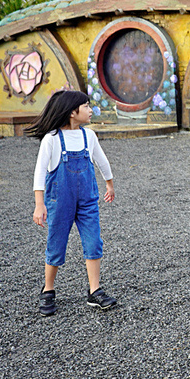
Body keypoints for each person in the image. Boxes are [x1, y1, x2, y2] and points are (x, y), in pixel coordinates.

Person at [26, 90, 117, 316]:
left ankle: (94, 291)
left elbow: (101, 161)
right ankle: (48, 290)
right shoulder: (52, 139)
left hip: (87, 200)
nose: (90, 110)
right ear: (72, 112)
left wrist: (110, 184)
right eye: (86, 106)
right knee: (56, 243)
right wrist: (39, 204)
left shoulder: (89, 136)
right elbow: (39, 173)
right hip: (60, 201)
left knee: (94, 242)